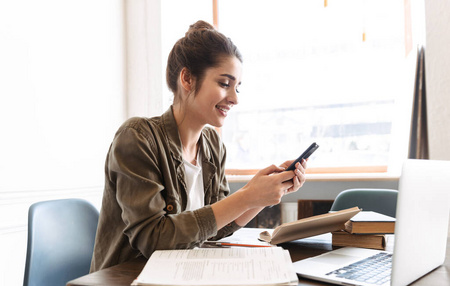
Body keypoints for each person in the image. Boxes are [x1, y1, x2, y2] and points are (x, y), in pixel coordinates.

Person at [90, 20, 307, 272]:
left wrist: (260, 197)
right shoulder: (137, 137)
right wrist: (247, 196)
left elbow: (215, 229)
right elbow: (152, 238)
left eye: (237, 87)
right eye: (225, 84)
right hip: (124, 284)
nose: (235, 98)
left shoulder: (213, 145)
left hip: (177, 277)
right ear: (187, 78)